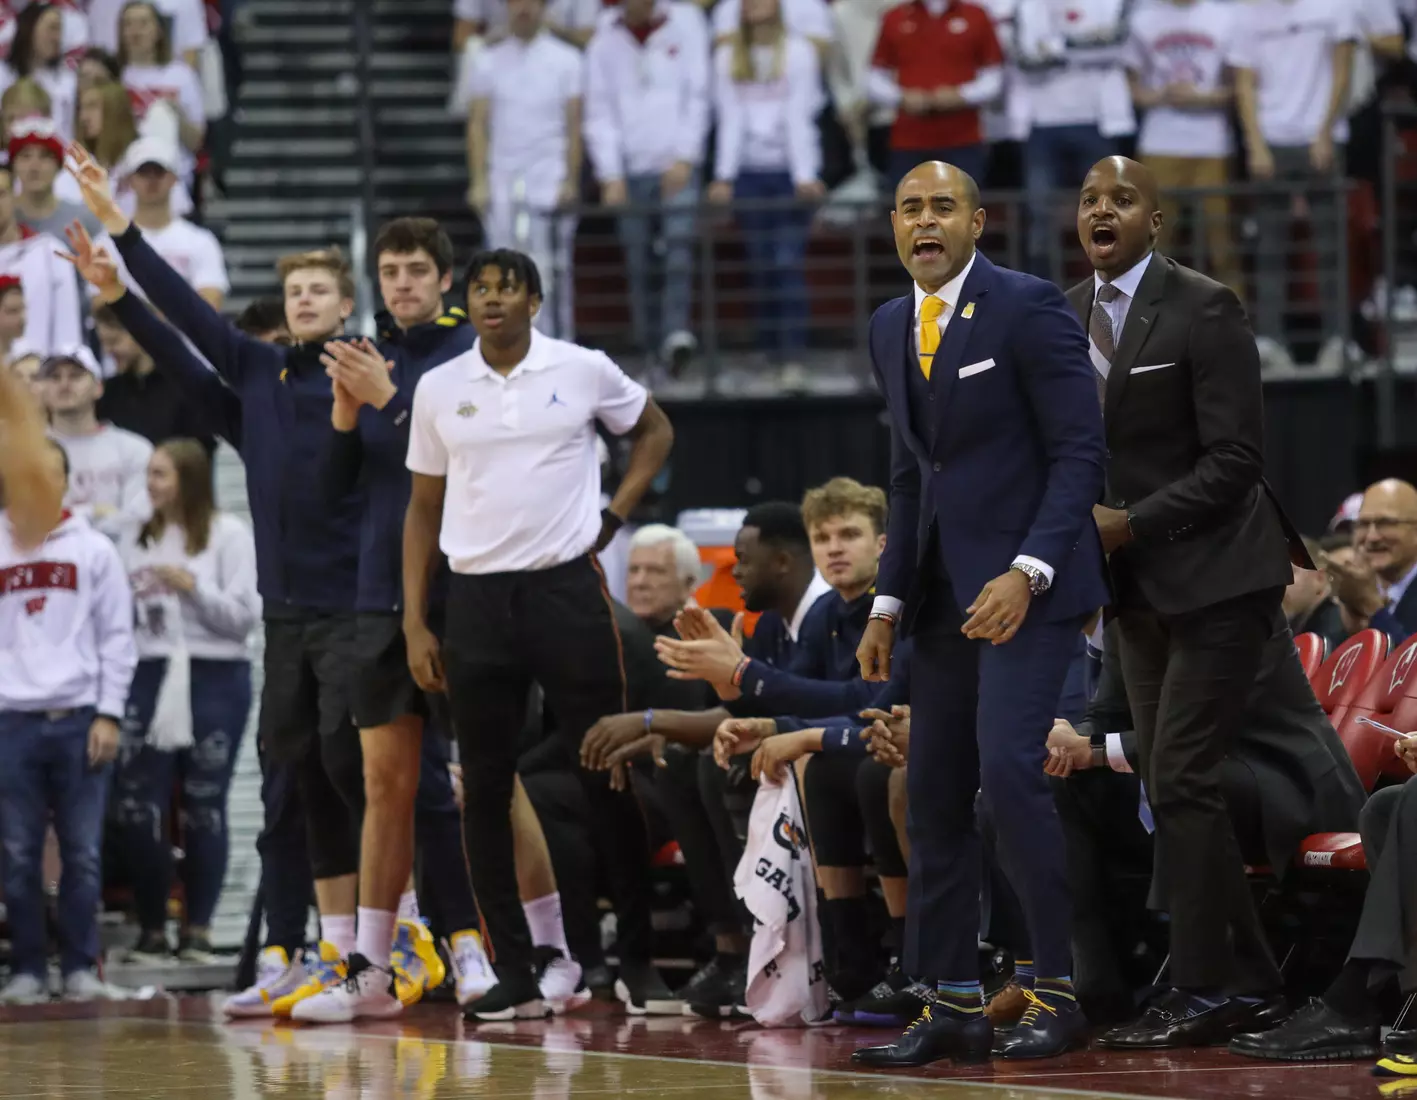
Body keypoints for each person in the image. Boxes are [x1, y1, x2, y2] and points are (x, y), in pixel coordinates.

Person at [58, 144, 444, 1018]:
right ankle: (340, 954)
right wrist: (117, 262)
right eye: (295, 291)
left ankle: (400, 940)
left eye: (320, 290)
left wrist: (369, 408)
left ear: (348, 305)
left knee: (355, 773)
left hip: (361, 607)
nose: (306, 300)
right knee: (303, 771)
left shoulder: (374, 372)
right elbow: (182, 325)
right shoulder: (260, 376)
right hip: (286, 612)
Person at [850, 159, 1108, 1067]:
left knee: (1007, 775)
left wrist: (1028, 571)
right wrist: (885, 599)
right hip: (938, 601)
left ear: (976, 222)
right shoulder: (888, 325)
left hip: (1027, 594)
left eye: (942, 207)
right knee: (929, 794)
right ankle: (951, 1000)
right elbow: (912, 475)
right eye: (910, 208)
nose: (926, 222)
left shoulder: (1028, 306)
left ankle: (1059, 986)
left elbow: (1080, 453)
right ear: (892, 226)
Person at [1064, 156, 1310, 1049]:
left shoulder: (1204, 305)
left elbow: (1235, 462)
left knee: (1180, 776)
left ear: (1155, 220)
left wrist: (1125, 526)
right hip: (1133, 590)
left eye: (1121, 199)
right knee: (1169, 783)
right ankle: (1236, 980)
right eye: (1090, 199)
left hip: (1219, 577)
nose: (1103, 210)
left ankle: (1214, 984)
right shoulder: (1068, 314)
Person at [403, 246, 675, 1020]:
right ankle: (515, 967)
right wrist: (415, 620)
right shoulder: (438, 387)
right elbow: (422, 508)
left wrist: (615, 515)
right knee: (484, 786)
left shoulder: (581, 366)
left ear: (534, 300)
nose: (493, 300)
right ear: (469, 301)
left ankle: (635, 962)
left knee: (607, 770)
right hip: (475, 602)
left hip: (564, 591)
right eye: (481, 288)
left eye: (508, 289)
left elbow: (654, 430)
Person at [0, 435, 137, 1004]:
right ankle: (28, 969)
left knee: (82, 852)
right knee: (16, 852)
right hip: (11, 721)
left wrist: (109, 712)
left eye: (50, 472)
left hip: (80, 716)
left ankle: (81, 966)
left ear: (64, 479)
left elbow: (117, 638)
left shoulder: (95, 550)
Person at [115, 438, 260, 962]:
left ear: (189, 480)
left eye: (160, 475)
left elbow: (244, 617)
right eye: (148, 474)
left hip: (214, 673)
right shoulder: (134, 536)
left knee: (204, 804)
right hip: (148, 670)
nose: (148, 485)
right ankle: (153, 926)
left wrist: (192, 587)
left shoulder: (228, 535)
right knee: (138, 806)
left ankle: (197, 928)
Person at [40, 346, 154, 542]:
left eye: (75, 376)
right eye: (54, 377)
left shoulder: (134, 449)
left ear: (98, 387)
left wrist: (68, 517)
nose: (64, 384)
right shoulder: (26, 453)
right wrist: (94, 512)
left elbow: (136, 520)